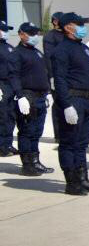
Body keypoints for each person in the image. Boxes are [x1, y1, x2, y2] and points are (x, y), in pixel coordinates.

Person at [50, 12, 89, 195]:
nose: (83, 28)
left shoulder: (84, 48)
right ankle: (72, 182)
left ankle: (83, 178)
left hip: (87, 100)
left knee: (81, 143)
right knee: (69, 143)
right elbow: (60, 79)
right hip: (73, 99)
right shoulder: (61, 50)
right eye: (79, 24)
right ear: (68, 27)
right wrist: (66, 105)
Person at [14, 23, 56, 177]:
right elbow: (14, 76)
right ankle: (27, 164)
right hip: (27, 96)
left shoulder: (37, 52)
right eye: (31, 34)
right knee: (27, 131)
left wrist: (48, 92)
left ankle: (35, 161)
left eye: (36, 33)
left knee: (37, 131)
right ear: (21, 34)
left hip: (40, 97)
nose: (35, 36)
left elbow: (44, 74)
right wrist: (20, 96)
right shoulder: (17, 53)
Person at [44, 12, 65, 144]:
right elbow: (49, 57)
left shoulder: (66, 35)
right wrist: (52, 76)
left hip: (67, 75)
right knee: (58, 104)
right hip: (56, 75)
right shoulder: (50, 36)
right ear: (55, 21)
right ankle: (58, 135)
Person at [0, 20, 18, 157]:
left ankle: (8, 143)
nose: (6, 32)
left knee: (10, 116)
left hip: (11, 85)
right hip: (1, 85)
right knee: (2, 116)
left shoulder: (9, 47)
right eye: (3, 30)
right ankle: (1, 146)